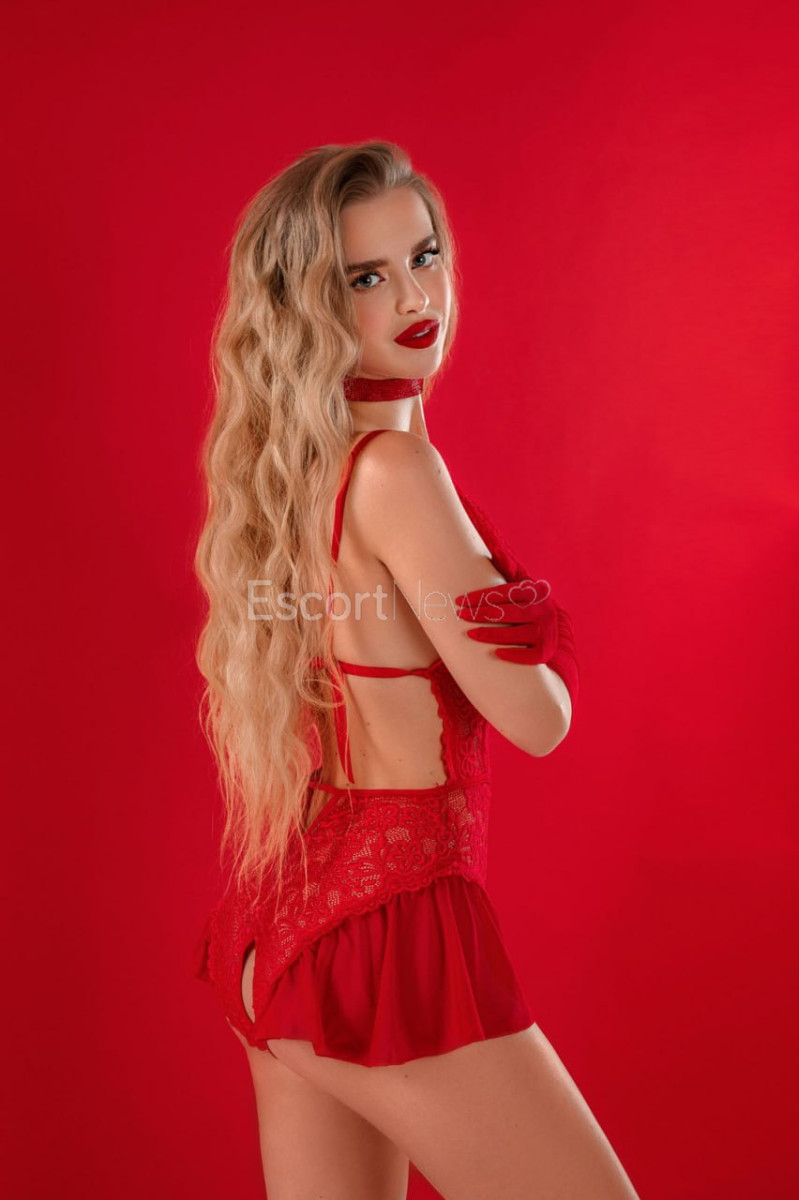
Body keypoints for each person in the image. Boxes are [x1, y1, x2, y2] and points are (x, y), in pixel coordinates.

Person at [190, 140, 639, 1199]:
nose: (413, 297)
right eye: (365, 276)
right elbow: (536, 720)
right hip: (388, 934)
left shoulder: (297, 475)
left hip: (278, 921)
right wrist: (538, 613)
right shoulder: (395, 470)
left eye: (423, 256)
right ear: (309, 305)